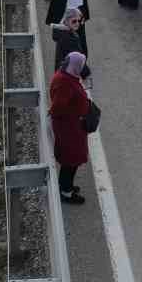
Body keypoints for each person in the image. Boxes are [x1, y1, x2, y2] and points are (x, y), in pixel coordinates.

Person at [49, 51, 91, 205]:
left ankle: (66, 186)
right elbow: (59, 107)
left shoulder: (66, 76)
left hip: (72, 126)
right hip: (69, 127)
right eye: (81, 64)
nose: (83, 67)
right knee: (70, 159)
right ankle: (66, 192)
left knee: (71, 158)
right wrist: (76, 112)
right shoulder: (64, 83)